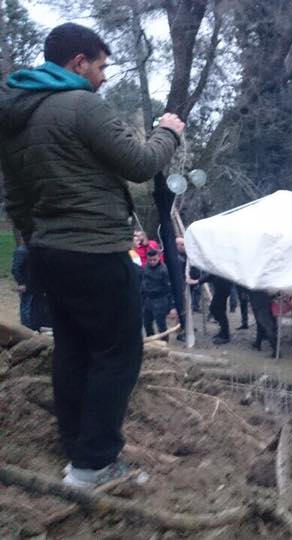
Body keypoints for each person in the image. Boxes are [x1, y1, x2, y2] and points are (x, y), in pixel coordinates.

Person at [0, 23, 184, 488]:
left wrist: (34, 244)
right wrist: (168, 133)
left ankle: (76, 450)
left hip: (47, 252)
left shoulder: (16, 117)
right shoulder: (81, 105)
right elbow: (140, 163)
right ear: (78, 63)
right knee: (118, 354)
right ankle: (94, 464)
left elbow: (17, 200)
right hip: (97, 251)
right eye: (101, 66)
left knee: (74, 350)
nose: (104, 77)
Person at [141, 248, 176, 337]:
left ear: (159, 258)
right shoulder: (145, 267)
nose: (152, 262)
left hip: (160, 300)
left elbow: (170, 288)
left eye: (154, 260)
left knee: (161, 325)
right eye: (150, 260)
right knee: (147, 323)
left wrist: (172, 307)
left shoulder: (164, 270)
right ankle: (151, 342)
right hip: (147, 299)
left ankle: (164, 343)